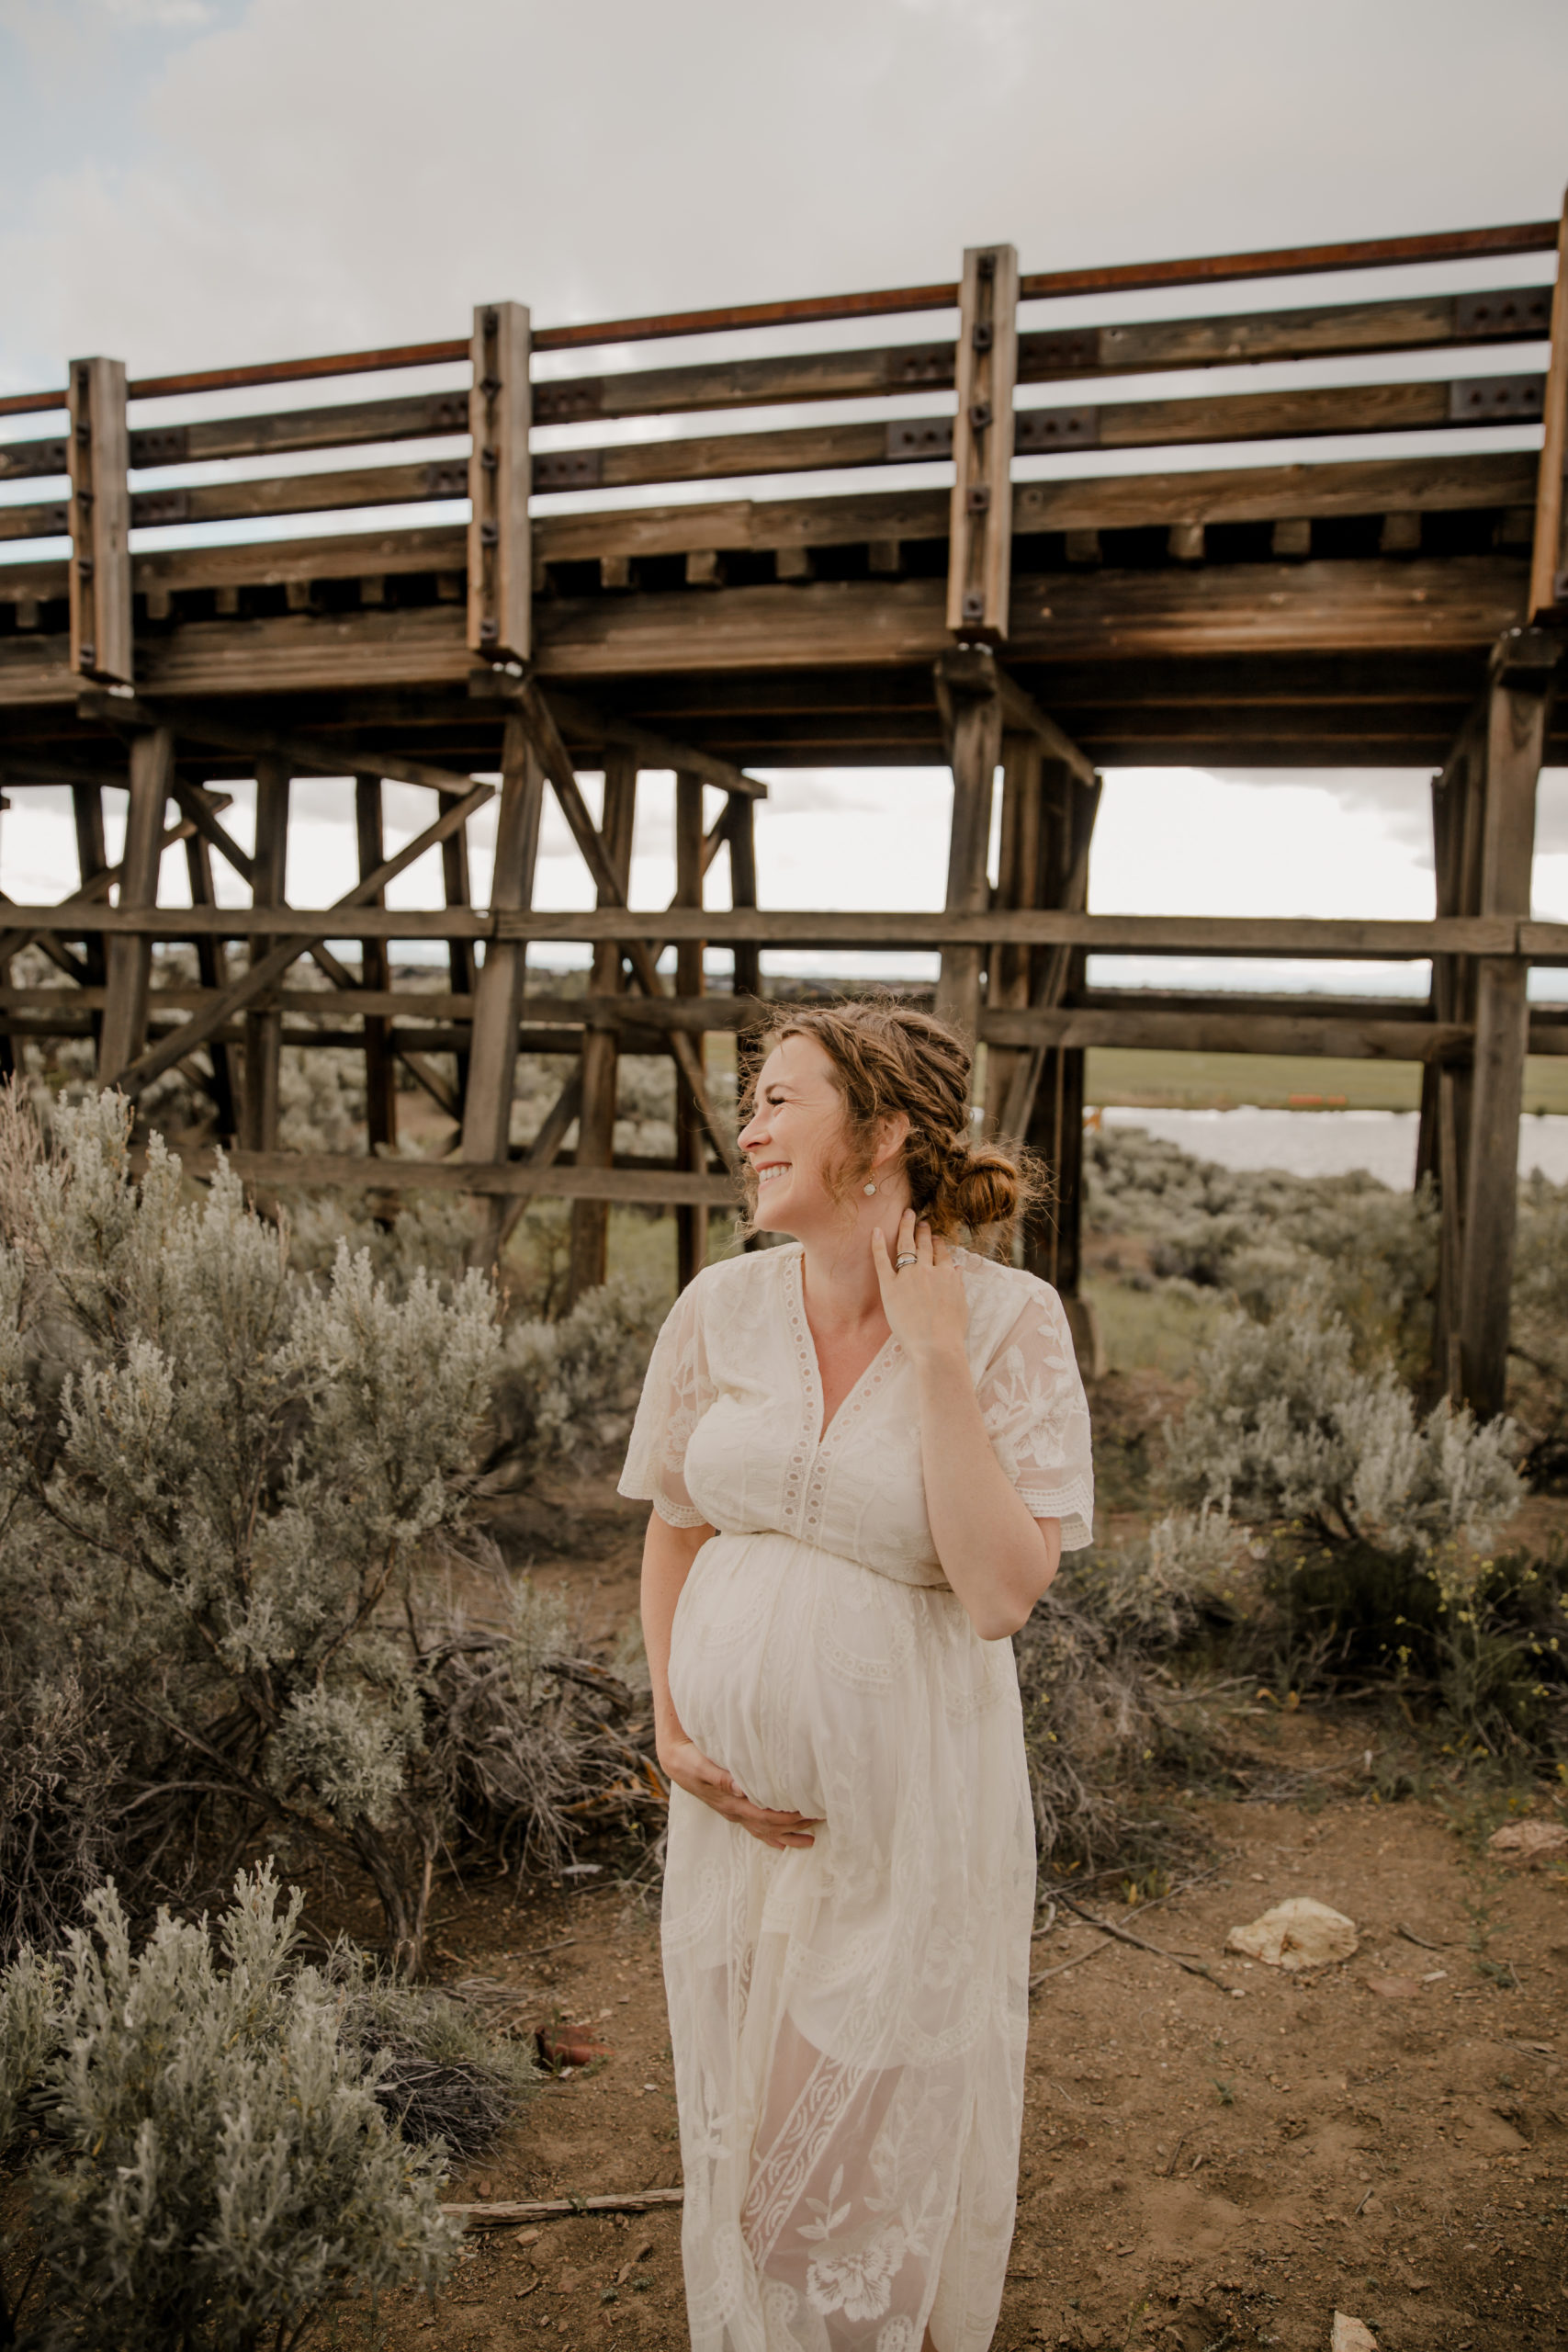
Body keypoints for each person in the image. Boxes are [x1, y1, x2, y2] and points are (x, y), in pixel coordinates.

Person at [620, 1001, 1094, 2352]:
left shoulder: (1009, 1325)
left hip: (900, 1833)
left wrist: (935, 1352)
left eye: (781, 1102)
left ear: (882, 1132)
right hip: (728, 1831)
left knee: (825, 2200)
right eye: (752, 1100)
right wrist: (668, 1721)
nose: (749, 1128)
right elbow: (673, 1522)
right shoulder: (719, 1307)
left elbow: (1002, 1591)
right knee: (739, 2154)